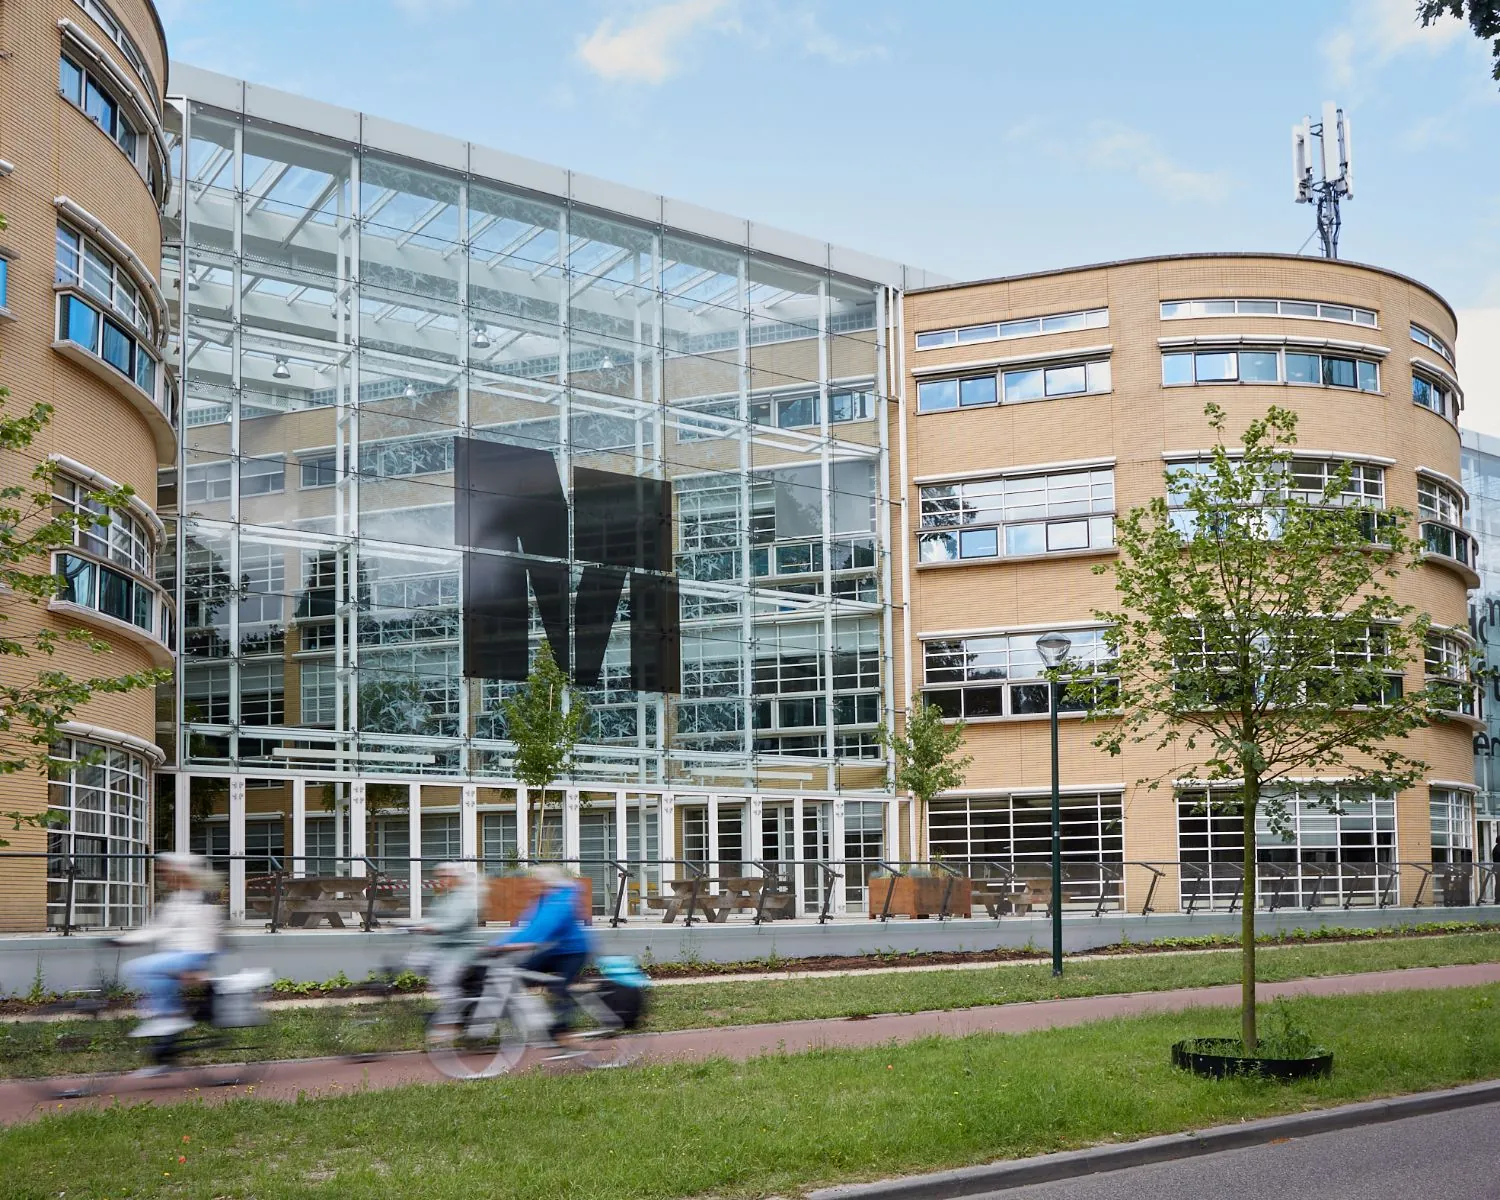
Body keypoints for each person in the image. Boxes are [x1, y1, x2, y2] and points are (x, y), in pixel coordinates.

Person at [113, 852, 223, 1039]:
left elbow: (212, 936)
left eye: (167, 872)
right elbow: (157, 929)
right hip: (178, 956)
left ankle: (171, 1017)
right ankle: (164, 1055)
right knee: (162, 987)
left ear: (182, 874)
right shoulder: (177, 899)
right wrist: (123, 940)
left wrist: (200, 968)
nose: (164, 877)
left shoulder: (202, 901)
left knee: (137, 969)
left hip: (191, 955)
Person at [488, 865, 594, 1045]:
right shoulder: (542, 901)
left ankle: (564, 1031)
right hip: (554, 950)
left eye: (534, 881)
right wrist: (497, 945)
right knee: (520, 974)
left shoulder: (561, 900)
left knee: (559, 988)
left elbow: (545, 928)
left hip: (575, 951)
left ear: (546, 883)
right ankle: (536, 1021)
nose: (530, 885)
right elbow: (527, 928)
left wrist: (511, 946)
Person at [413, 862, 481, 1002]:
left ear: (456, 878)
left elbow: (456, 922)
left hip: (460, 950)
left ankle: (453, 1012)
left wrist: (434, 927)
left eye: (446, 876)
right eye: (440, 877)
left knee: (445, 978)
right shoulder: (443, 898)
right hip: (443, 947)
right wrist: (410, 924)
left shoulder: (465, 898)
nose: (442, 880)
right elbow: (432, 918)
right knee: (414, 961)